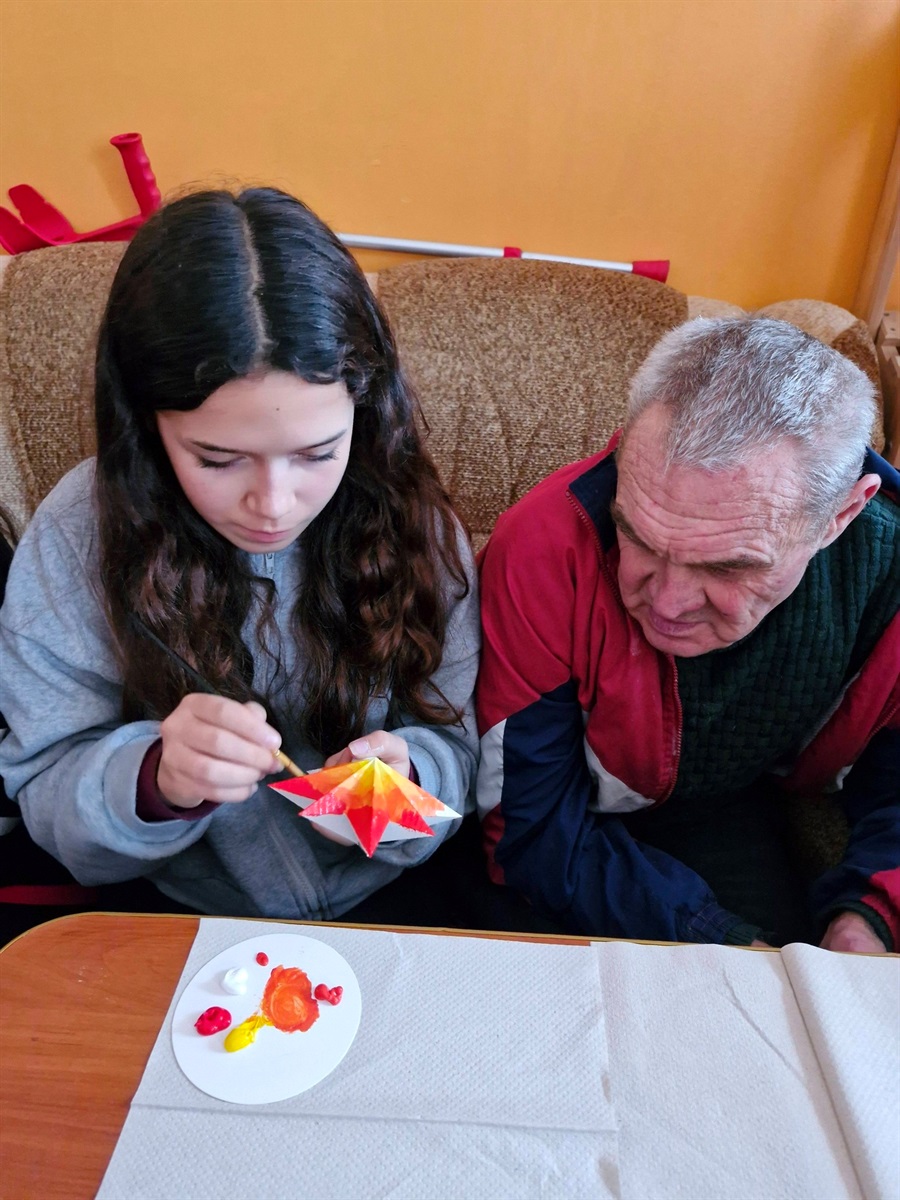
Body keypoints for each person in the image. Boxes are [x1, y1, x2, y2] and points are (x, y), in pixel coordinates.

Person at [0, 187, 481, 924]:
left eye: (318, 452)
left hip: (387, 900)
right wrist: (156, 778)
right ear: (146, 426)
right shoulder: (78, 533)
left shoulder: (416, 518)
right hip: (171, 913)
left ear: (366, 407)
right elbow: (44, 786)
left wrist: (406, 782)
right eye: (218, 458)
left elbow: (456, 751)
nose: (274, 503)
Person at [476, 316, 899, 953]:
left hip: (731, 812)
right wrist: (715, 939)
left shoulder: (889, 574)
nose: (667, 603)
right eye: (638, 538)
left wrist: (869, 916)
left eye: (729, 565)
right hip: (572, 828)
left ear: (843, 515)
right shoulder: (543, 544)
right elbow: (528, 829)